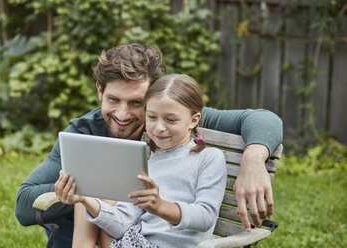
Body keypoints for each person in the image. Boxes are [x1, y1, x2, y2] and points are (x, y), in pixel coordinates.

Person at [15, 43, 283, 247]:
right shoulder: (84, 132)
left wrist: (253, 159)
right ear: (99, 90)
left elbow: (263, 119)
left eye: (136, 103)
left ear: (155, 94)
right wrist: (90, 189)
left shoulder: (173, 119)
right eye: (113, 100)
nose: (122, 114)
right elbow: (25, 204)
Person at [55, 73, 228, 247]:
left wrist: (160, 206)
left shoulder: (209, 158)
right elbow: (121, 225)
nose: (159, 128)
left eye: (171, 120)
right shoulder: (147, 161)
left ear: (193, 120)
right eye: (152, 117)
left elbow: (205, 217)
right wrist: (84, 199)